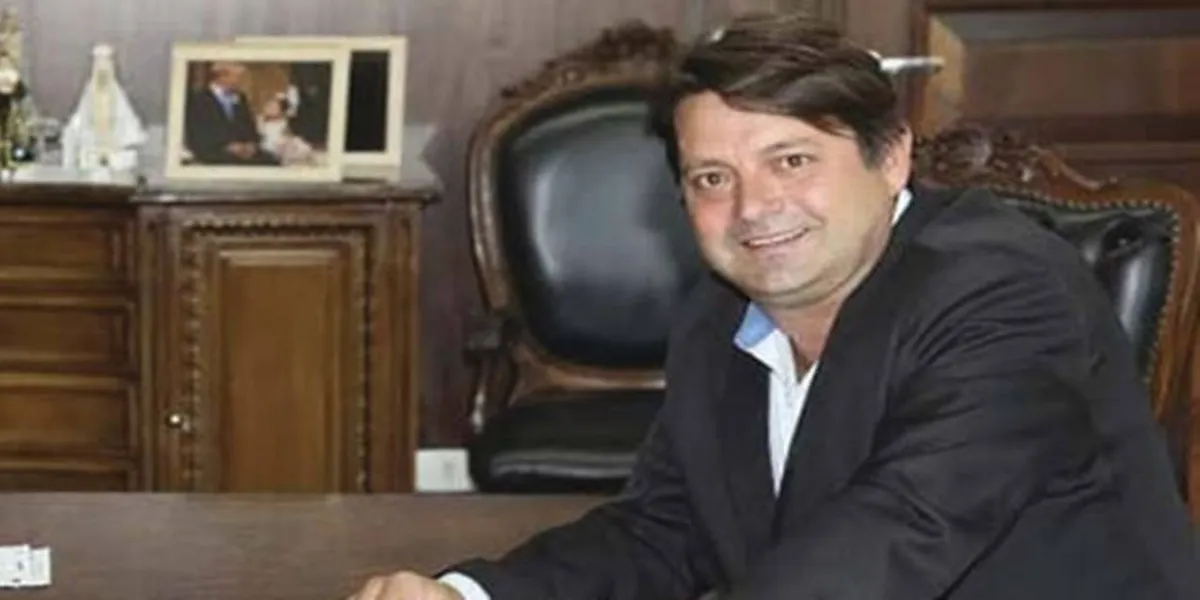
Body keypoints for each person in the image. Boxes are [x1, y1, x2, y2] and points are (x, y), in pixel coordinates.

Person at [347, 11, 1198, 600]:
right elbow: (668, 528)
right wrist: (470, 592)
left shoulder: (1001, 292)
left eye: (792, 161)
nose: (753, 208)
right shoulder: (718, 315)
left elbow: (899, 533)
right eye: (712, 178)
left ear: (891, 159)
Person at [183, 61, 277, 165]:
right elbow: (198, 132)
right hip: (214, 151)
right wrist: (228, 146)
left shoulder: (241, 98)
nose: (240, 82)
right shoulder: (199, 99)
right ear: (223, 76)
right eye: (238, 78)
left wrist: (250, 144)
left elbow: (249, 126)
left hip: (242, 152)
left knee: (271, 161)